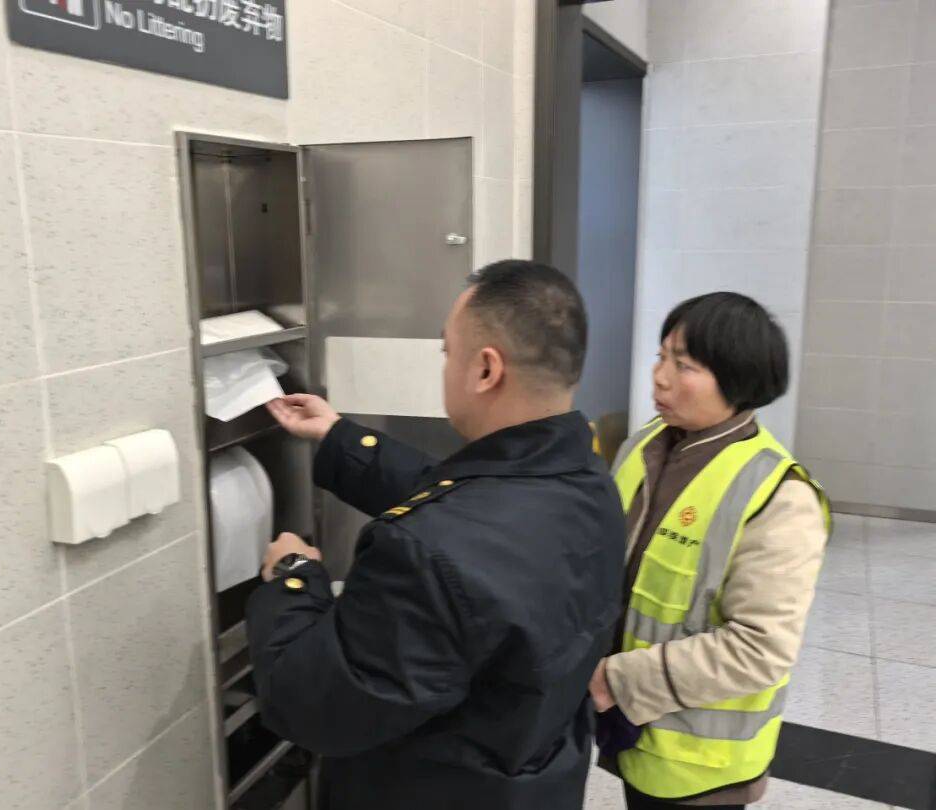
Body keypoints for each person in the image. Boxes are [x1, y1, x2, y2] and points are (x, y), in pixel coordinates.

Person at [245, 260, 626, 810]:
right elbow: (473, 508)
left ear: (486, 369)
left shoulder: (424, 554)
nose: (444, 366)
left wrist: (293, 577)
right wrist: (339, 437)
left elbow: (310, 706)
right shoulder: (590, 482)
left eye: (448, 352)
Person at [588, 293, 830, 809]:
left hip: (702, 763)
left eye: (684, 365)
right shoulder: (643, 446)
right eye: (661, 356)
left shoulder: (779, 495)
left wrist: (616, 679)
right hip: (632, 732)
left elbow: (760, 649)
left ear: (737, 380)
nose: (659, 377)